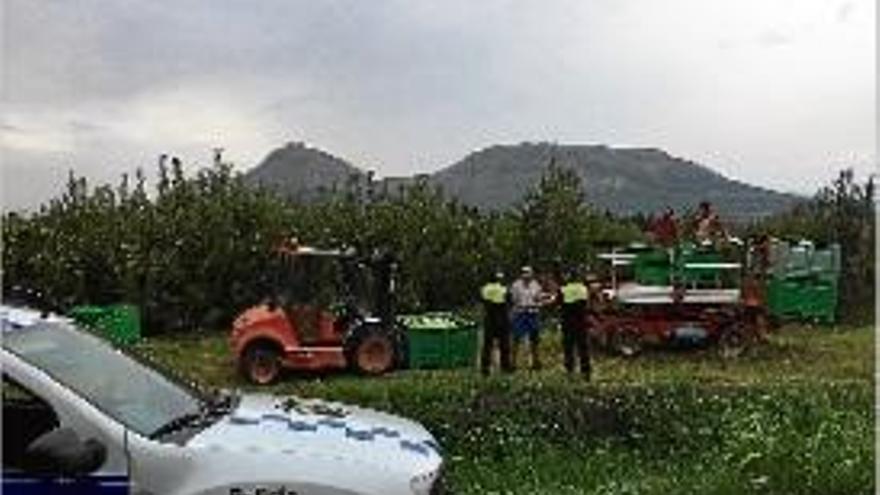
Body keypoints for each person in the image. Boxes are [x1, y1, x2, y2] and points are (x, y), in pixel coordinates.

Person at [509, 265, 549, 370]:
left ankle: (536, 362)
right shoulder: (516, 285)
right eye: (524, 272)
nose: (526, 275)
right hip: (520, 313)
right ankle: (513, 363)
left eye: (528, 273)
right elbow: (514, 299)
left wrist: (543, 299)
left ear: (531, 274)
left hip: (533, 313)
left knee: (534, 339)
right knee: (516, 338)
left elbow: (538, 298)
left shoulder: (536, 285)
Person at [557, 268, 591, 378]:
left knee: (568, 348)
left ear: (569, 277)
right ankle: (586, 371)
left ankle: (570, 370)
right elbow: (586, 304)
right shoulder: (584, 289)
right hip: (581, 322)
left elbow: (558, 303)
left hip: (568, 323)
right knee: (583, 348)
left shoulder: (564, 289)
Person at [479, 271, 513, 375]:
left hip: (489, 318)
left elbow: (482, 301)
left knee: (487, 345)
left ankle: (485, 368)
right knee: (504, 345)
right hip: (502, 318)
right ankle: (505, 367)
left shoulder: (484, 288)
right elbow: (509, 301)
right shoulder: (503, 289)